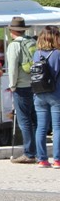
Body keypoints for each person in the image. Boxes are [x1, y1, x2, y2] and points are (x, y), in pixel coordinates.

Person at [6, 16, 37, 164]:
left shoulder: (14, 45)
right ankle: (38, 152)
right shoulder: (32, 41)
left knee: (24, 121)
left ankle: (29, 153)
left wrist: (12, 86)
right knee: (35, 120)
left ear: (12, 30)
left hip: (21, 86)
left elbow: (12, 69)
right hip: (36, 85)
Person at [32, 26, 60, 168]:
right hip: (56, 94)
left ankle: (42, 159)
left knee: (41, 127)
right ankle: (57, 160)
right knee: (57, 128)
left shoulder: (37, 54)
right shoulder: (58, 54)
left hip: (39, 93)